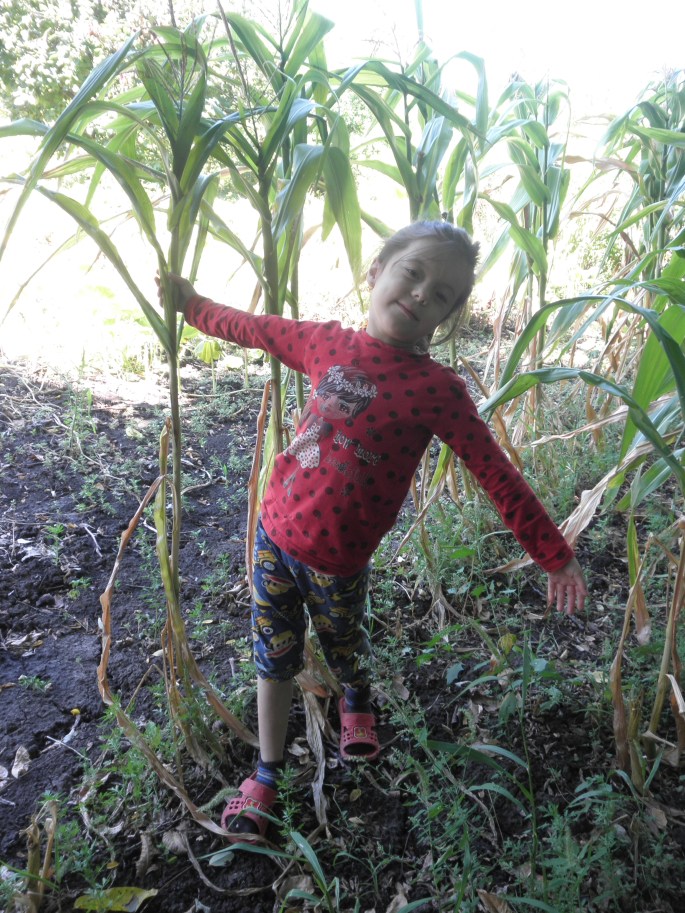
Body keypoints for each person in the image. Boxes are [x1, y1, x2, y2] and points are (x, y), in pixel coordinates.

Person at [158, 221, 587, 842]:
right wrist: (190, 304)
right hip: (275, 537)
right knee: (271, 658)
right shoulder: (322, 342)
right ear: (377, 270)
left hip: (341, 561)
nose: (419, 295)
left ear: (449, 315)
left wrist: (552, 553)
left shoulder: (439, 391)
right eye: (412, 273)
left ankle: (355, 696)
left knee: (346, 644)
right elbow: (252, 327)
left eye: (440, 295)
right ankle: (269, 768)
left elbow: (495, 474)